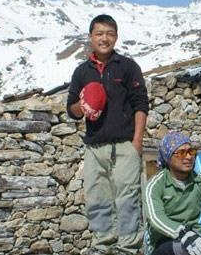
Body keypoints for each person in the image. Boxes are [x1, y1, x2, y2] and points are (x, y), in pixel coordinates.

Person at [68, 14, 150, 255]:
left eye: (109, 34)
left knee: (128, 200)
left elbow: (140, 104)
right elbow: (71, 109)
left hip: (125, 146)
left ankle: (128, 249)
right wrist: (83, 104)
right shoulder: (82, 72)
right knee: (98, 201)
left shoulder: (127, 67)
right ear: (91, 37)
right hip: (94, 148)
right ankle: (102, 247)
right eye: (99, 33)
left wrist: (136, 142)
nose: (104, 38)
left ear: (116, 37)